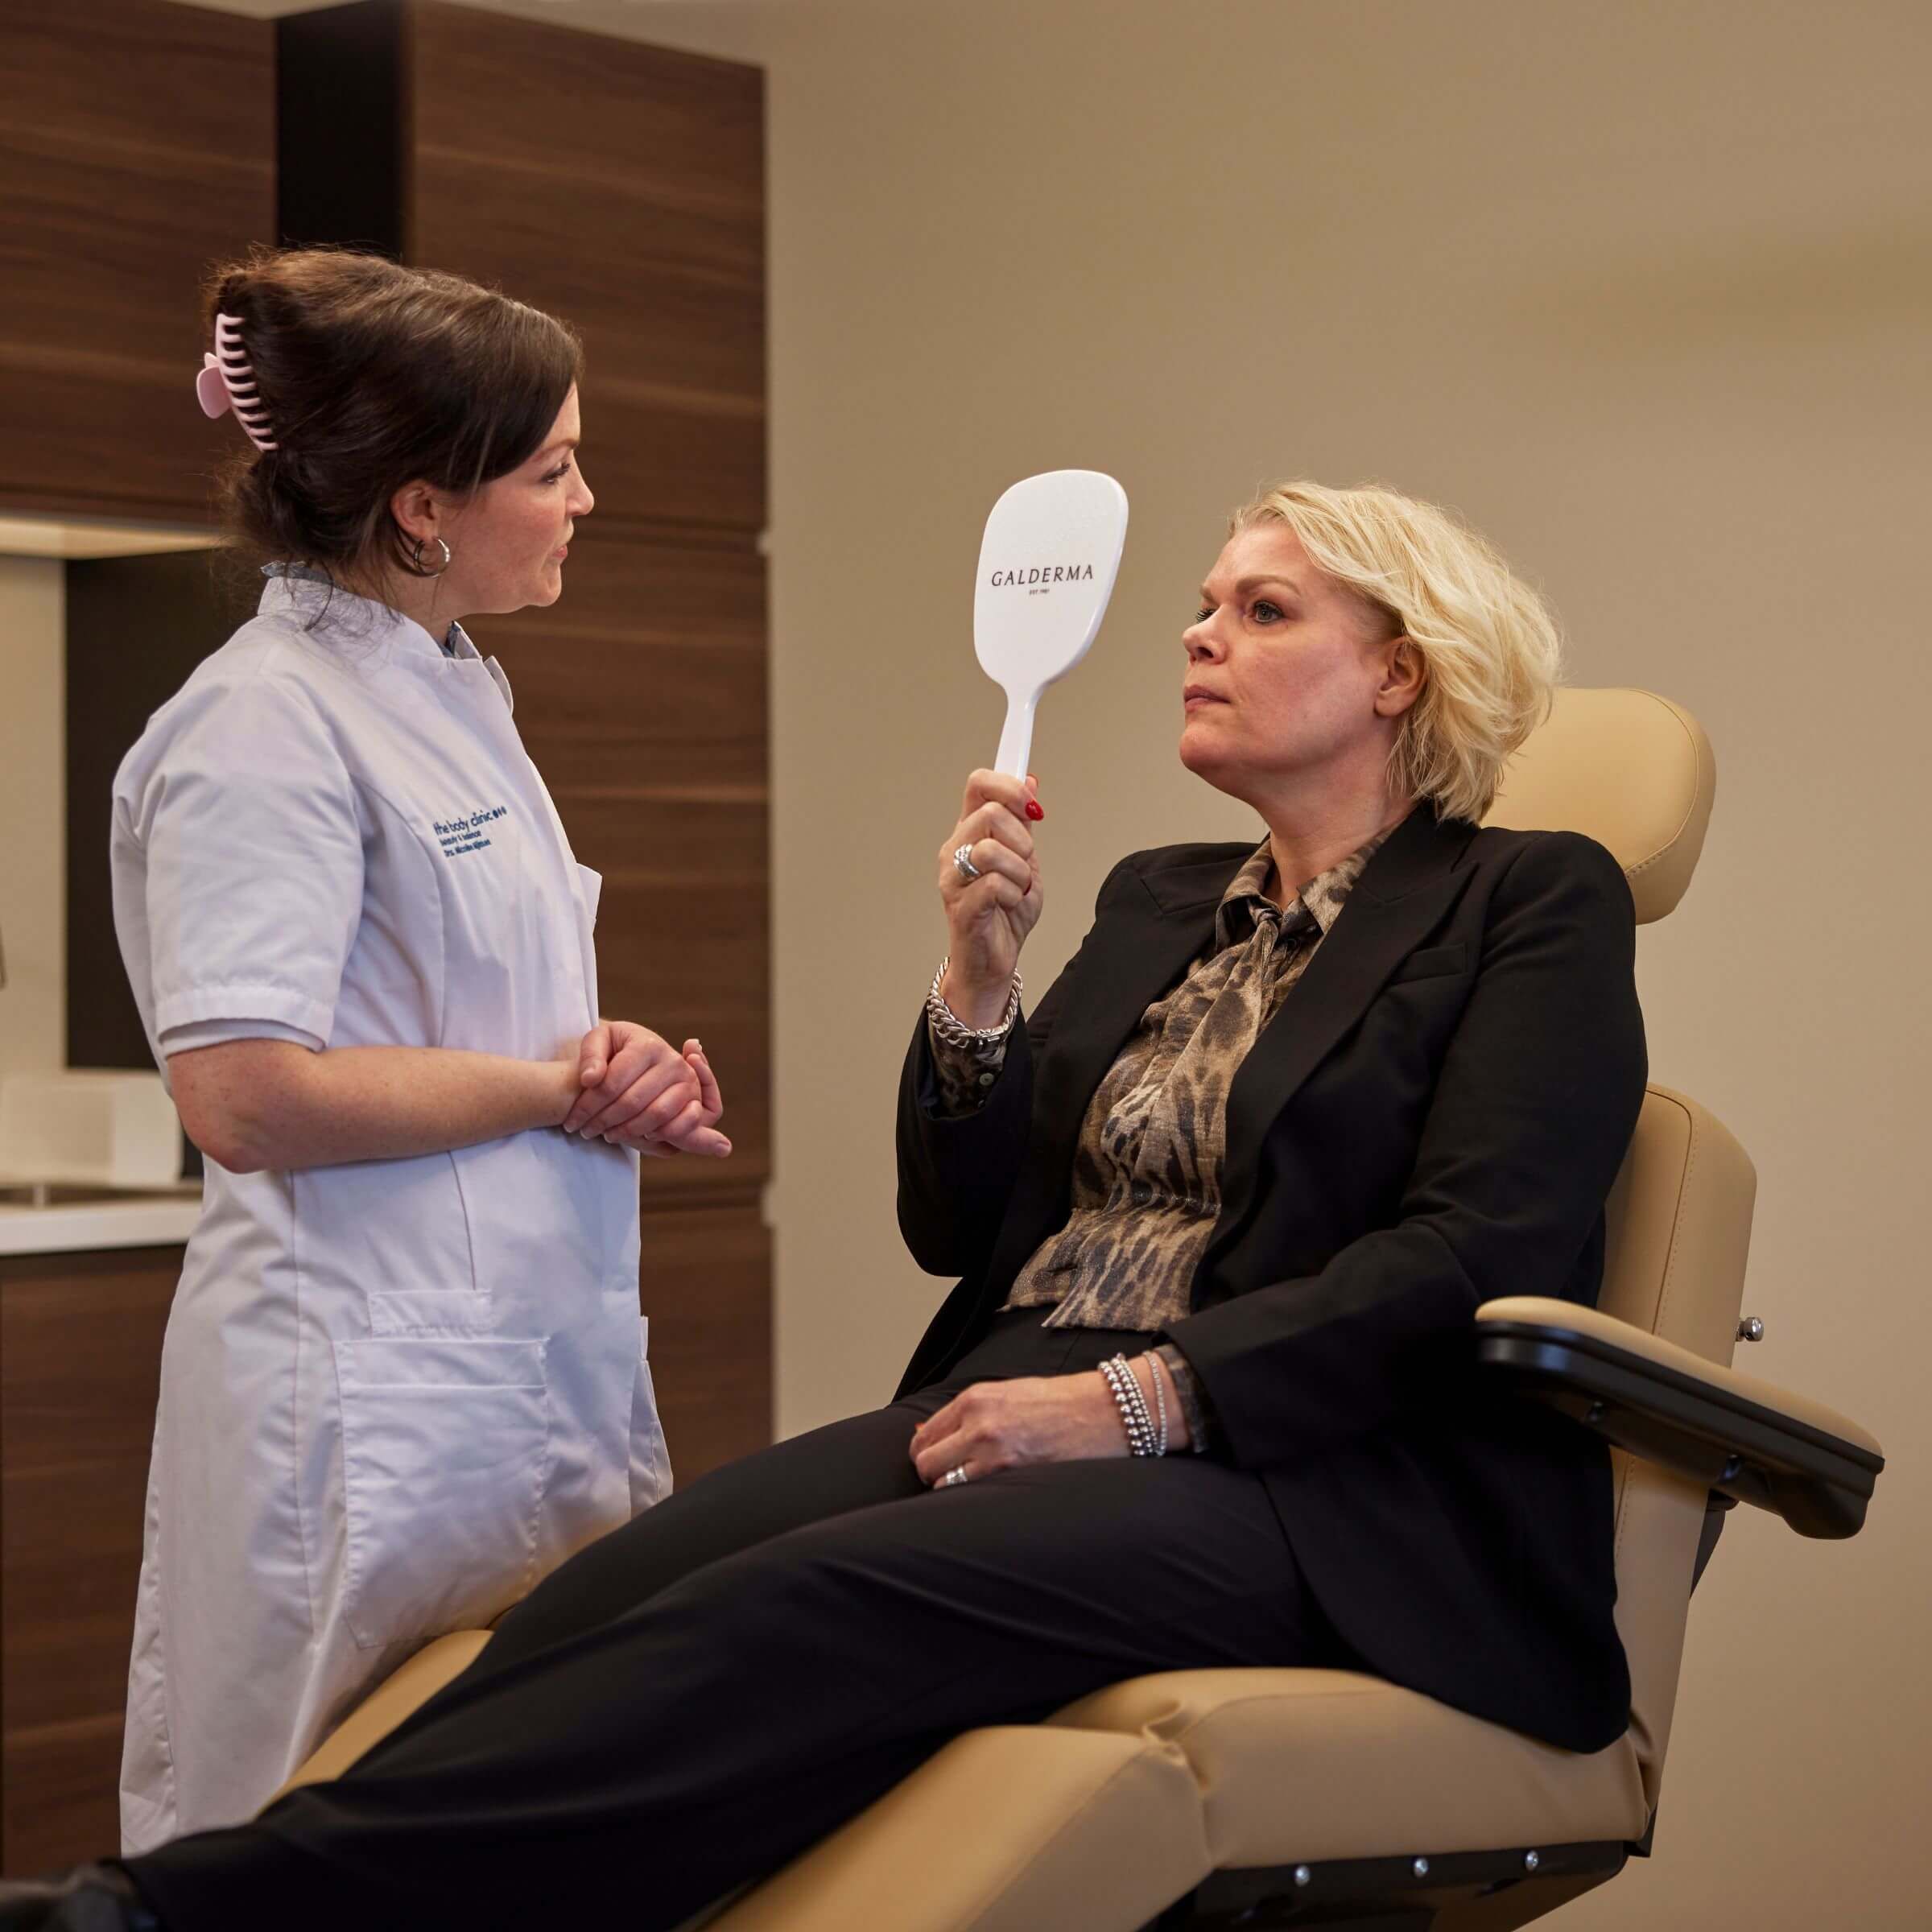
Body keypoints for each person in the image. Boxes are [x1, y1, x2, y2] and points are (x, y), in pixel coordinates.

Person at [3, 480, 1645, 1931]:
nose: (1201, 636)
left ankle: (165, 1917)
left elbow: (1474, 1254)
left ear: (1400, 672)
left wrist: (1137, 1406)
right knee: (611, 1596)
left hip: (1320, 1485)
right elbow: (963, 1220)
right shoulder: (1163, 900)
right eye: (1202, 606)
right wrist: (977, 982)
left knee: (810, 1607)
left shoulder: (1526, 901)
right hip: (1027, 1390)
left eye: (1261, 610)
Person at [103, 250, 732, 1854]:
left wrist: (611, 1062)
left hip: (505, 1370)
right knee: (299, 1836)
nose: (586, 498)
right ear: (420, 509)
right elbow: (243, 1093)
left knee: (496, 1833)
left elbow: (455, 1011)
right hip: (355, 1403)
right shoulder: (262, 726)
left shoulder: (453, 694)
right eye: (554, 467)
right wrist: (553, 1090)